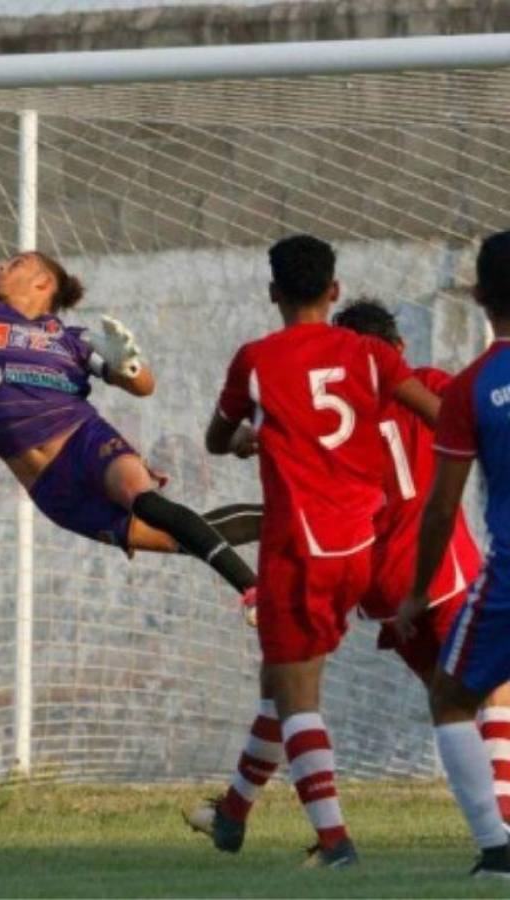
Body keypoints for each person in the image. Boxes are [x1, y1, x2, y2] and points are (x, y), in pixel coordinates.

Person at [0, 95, 258, 591]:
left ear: (44, 282)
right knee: (185, 538)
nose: (2, 266)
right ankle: (293, 518)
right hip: (51, 489)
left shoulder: (69, 340)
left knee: (142, 498)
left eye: (17, 262)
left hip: (86, 442)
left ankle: (252, 590)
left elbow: (145, 387)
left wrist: (129, 367)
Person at [189, 299, 510, 853]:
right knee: (486, 692)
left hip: (372, 578)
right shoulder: (430, 384)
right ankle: (500, 819)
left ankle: (237, 810)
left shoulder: (326, 414)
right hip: (442, 571)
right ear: (398, 351)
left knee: (287, 685)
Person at [204, 236, 439, 867]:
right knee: (281, 679)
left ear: (272, 292)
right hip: (358, 547)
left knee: (295, 693)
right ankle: (232, 811)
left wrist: (247, 440)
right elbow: (437, 413)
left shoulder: (255, 360)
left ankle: (335, 842)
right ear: (334, 290)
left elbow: (215, 438)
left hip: (298, 548)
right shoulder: (369, 354)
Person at [394, 230, 510, 878]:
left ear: (479, 296)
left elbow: (442, 507)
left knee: (450, 696)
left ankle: (497, 849)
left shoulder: (471, 387)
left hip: (508, 582)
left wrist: (416, 591)